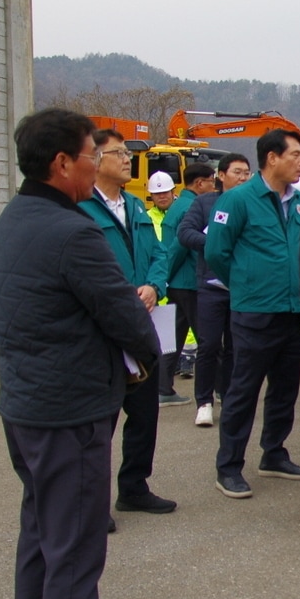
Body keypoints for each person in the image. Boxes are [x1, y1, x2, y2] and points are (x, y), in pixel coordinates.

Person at [0, 108, 158, 599]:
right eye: (93, 154)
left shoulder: (16, 218)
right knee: (76, 543)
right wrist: (145, 361)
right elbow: (123, 315)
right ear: (63, 163)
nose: (98, 164)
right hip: (69, 409)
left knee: (42, 530)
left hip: (29, 405)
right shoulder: (73, 231)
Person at [77, 129, 180, 518]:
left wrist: (154, 285)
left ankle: (134, 487)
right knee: (99, 423)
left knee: (144, 414)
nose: (127, 159)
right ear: (94, 160)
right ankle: (92, 505)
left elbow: (159, 253)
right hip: (104, 330)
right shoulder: (81, 208)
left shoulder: (135, 207)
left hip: (142, 326)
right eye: (118, 153)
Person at [205, 129, 300, 498]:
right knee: (244, 389)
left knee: (285, 388)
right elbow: (216, 253)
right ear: (272, 158)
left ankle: (274, 453)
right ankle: (229, 466)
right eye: (296, 155)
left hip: (291, 309)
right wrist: (245, 284)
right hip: (253, 312)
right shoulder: (237, 200)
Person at [178, 154, 249, 428]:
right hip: (210, 287)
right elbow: (185, 233)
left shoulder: (253, 205)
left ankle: (228, 396)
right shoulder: (205, 202)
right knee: (208, 345)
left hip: (241, 287)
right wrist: (214, 242)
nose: (243, 178)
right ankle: (203, 402)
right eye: (237, 172)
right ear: (221, 175)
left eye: (246, 173)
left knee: (234, 346)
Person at [156, 163, 214, 404]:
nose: (214, 185)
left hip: (178, 283)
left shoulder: (178, 204)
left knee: (174, 337)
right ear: (199, 183)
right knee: (208, 339)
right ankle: (219, 389)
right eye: (211, 181)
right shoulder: (192, 206)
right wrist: (165, 275)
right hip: (189, 281)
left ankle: (163, 388)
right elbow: (179, 246)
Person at [145, 172, 174, 238]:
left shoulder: (183, 214)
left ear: (173, 193)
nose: (162, 196)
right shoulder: (145, 218)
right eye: (157, 193)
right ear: (151, 196)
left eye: (165, 192)